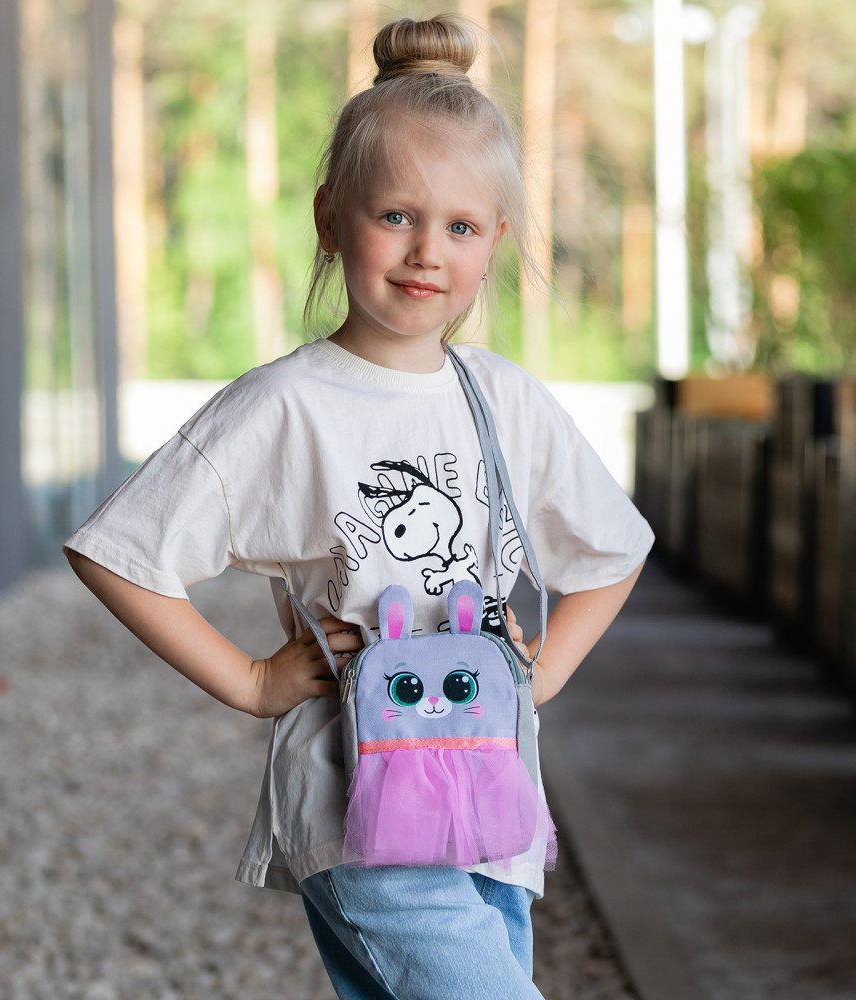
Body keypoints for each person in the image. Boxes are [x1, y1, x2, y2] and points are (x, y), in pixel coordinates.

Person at [65, 13, 653, 1000]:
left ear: (495, 241)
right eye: (395, 216)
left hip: (492, 800)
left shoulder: (504, 398)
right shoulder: (286, 405)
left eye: (460, 226)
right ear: (330, 218)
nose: (427, 251)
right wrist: (250, 681)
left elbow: (611, 552)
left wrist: (540, 674)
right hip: (362, 808)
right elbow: (118, 551)